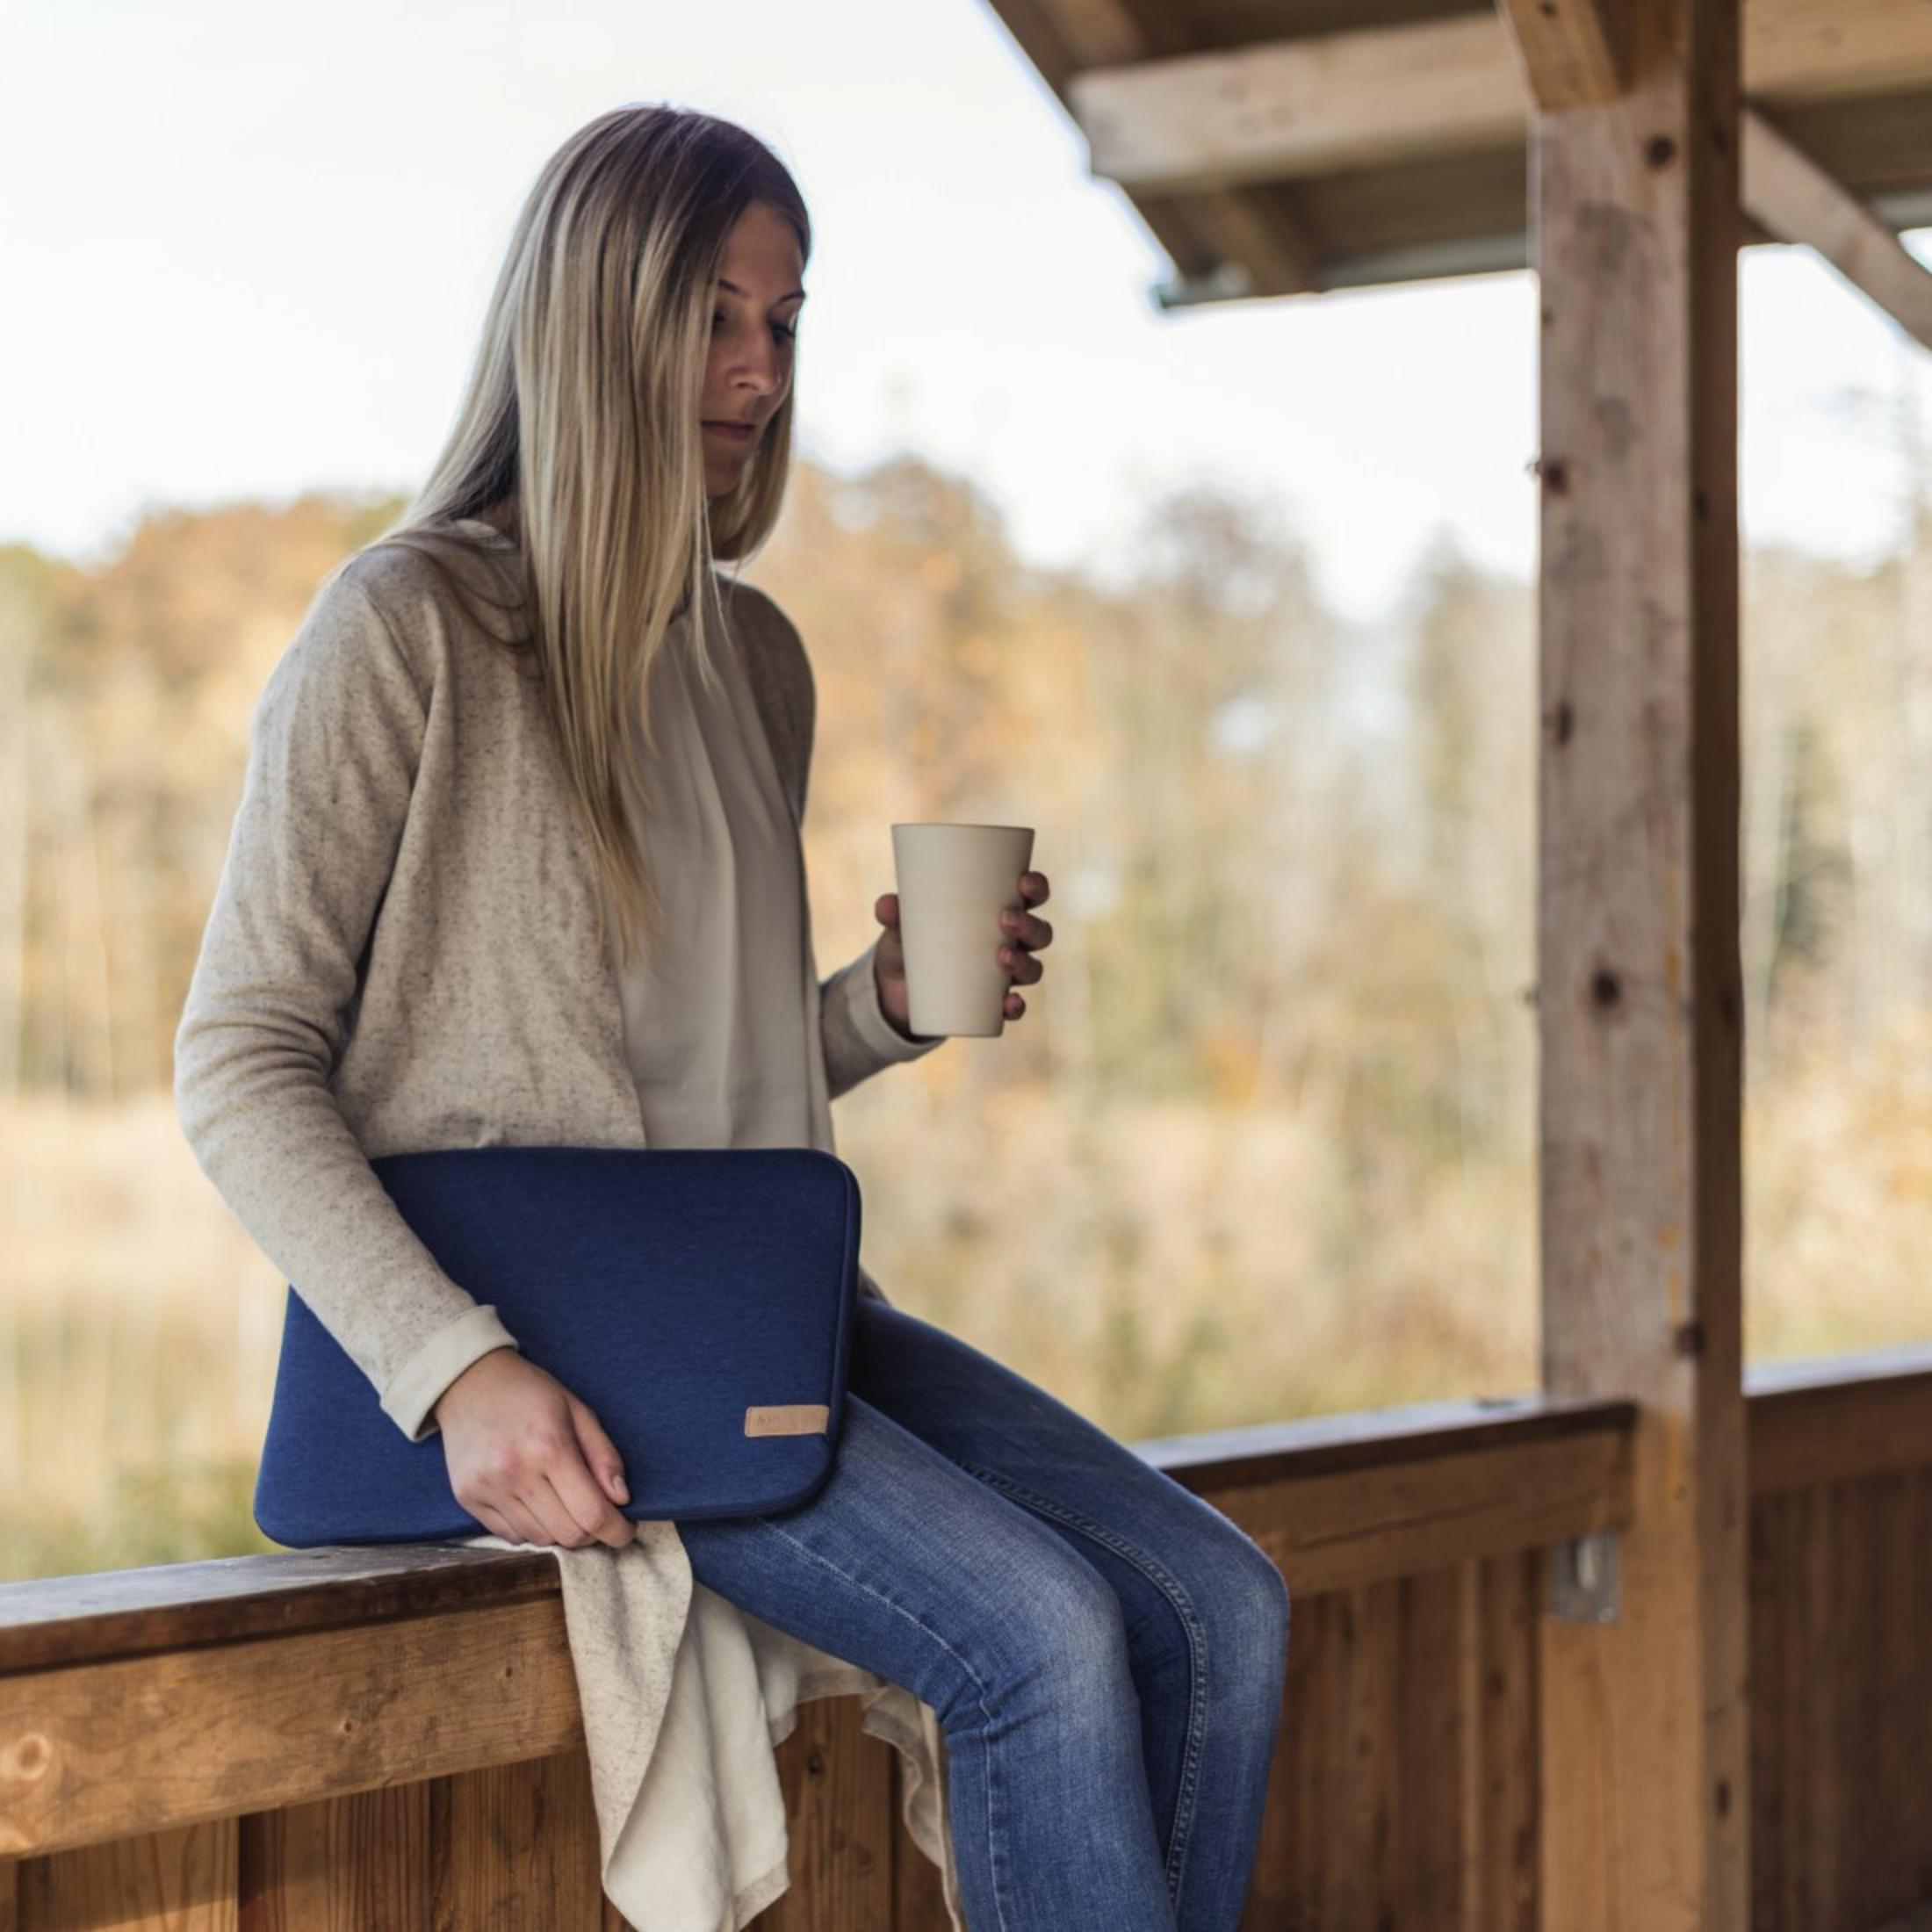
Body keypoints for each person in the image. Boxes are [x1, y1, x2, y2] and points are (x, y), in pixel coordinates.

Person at [175, 102, 1288, 1930]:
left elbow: (708, 1061)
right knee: (1037, 1640)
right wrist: (455, 1364)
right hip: (565, 1347)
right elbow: (235, 1056)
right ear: (592, 318)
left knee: (1219, 1606)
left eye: (782, 321)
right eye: (712, 315)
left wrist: (884, 1007)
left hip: (764, 1303)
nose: (760, 372)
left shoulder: (753, 658)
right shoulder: (410, 627)